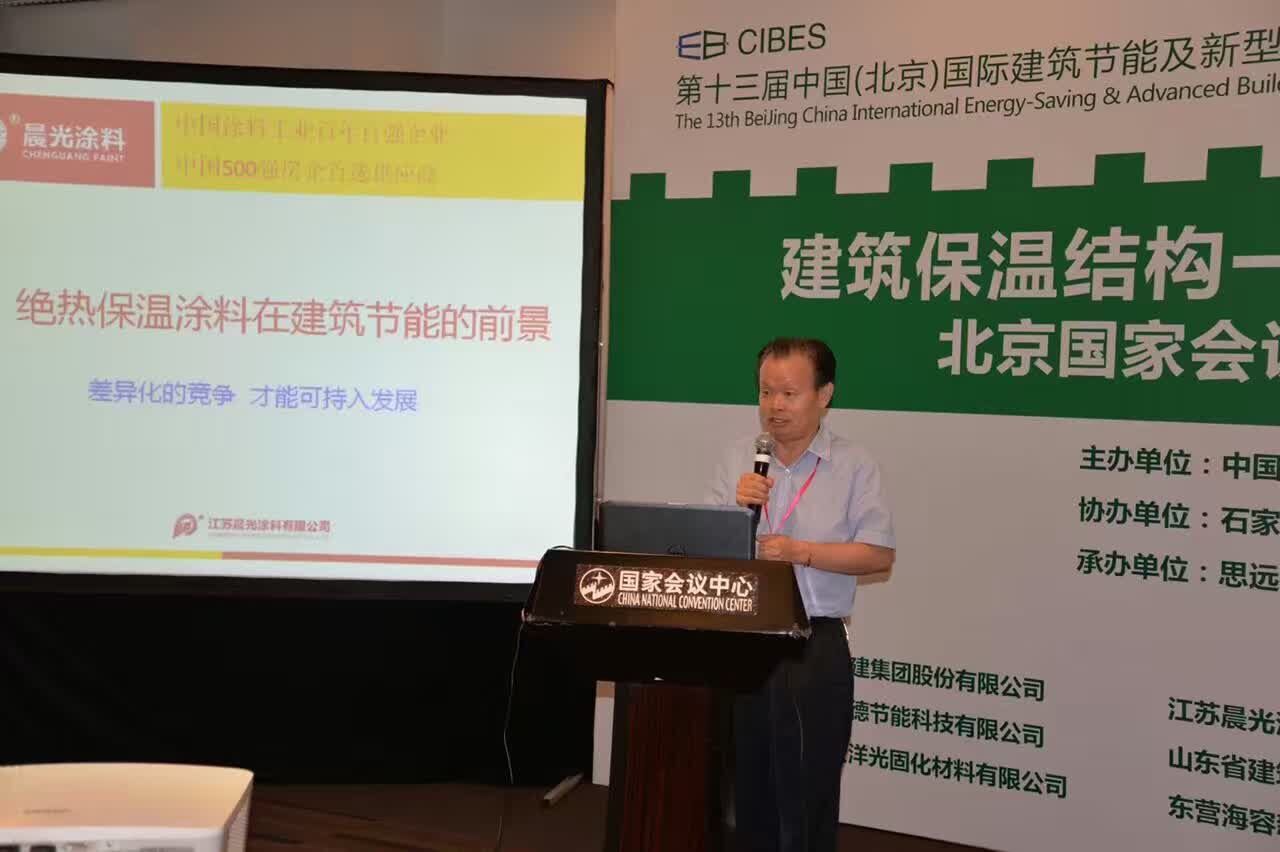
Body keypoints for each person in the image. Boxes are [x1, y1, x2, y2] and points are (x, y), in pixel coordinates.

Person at [707, 337, 896, 852]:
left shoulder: (854, 465)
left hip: (814, 641)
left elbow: (878, 554)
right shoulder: (738, 459)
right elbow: (706, 553)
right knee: (744, 789)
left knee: (807, 791)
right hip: (743, 640)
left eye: (789, 393)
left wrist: (801, 552)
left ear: (824, 395)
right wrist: (734, 514)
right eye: (766, 392)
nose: (775, 406)